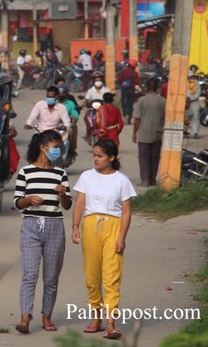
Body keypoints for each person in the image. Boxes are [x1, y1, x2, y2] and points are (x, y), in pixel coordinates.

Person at [71, 139, 136, 340]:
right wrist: (75, 226)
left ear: (111, 157)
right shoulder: (86, 177)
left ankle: (110, 322)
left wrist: (122, 238)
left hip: (113, 227)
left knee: (111, 274)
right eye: (94, 155)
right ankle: (95, 316)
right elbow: (80, 203)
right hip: (91, 226)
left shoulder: (122, 180)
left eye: (100, 156)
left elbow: (126, 212)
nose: (96, 159)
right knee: (92, 275)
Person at [13, 130, 72, 334]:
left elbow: (67, 205)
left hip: (55, 226)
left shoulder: (60, 174)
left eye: (59, 147)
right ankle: (25, 317)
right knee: (30, 273)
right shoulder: (26, 172)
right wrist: (28, 200)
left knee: (51, 276)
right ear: (43, 147)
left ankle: (47, 317)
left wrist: (63, 194)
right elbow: (18, 202)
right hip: (31, 225)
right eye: (56, 147)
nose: (58, 151)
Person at [132, 79, 166, 186]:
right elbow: (165, 117)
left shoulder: (141, 100)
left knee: (143, 158)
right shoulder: (163, 100)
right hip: (157, 133)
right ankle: (152, 179)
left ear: (147, 87)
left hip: (144, 133)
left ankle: (145, 180)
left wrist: (134, 133)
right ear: (157, 88)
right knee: (154, 158)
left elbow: (137, 118)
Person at [186, 74, 202, 138]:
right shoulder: (184, 82)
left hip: (194, 102)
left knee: (195, 117)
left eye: (192, 77)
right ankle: (185, 131)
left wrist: (191, 98)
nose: (191, 78)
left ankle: (195, 132)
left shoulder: (197, 83)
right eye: (190, 77)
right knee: (185, 117)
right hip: (186, 103)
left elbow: (198, 93)